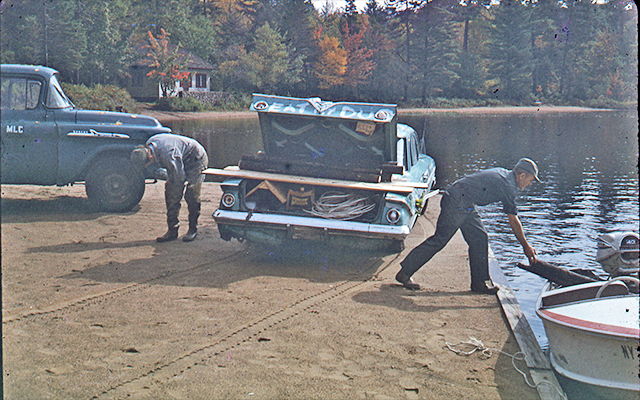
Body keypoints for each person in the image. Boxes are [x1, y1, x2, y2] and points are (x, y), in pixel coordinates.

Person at [395, 158, 541, 294]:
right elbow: (513, 221)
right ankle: (405, 273)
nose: (529, 184)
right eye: (530, 180)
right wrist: (526, 246)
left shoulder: (504, 175)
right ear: (522, 175)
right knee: (440, 239)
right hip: (457, 201)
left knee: (479, 237)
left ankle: (479, 283)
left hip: (465, 202)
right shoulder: (508, 185)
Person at [130, 134, 209, 243]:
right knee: (171, 194)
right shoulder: (149, 145)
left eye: (147, 165)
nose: (148, 167)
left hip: (196, 159)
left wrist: (172, 182)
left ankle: (192, 229)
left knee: (192, 194)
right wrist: (171, 184)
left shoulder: (169, 153)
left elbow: (179, 177)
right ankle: (172, 231)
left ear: (150, 157)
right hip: (180, 157)